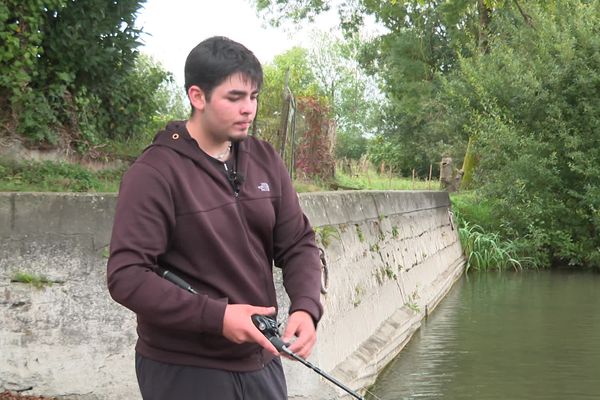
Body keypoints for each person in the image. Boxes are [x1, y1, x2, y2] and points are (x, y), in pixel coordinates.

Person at [106, 36, 323, 400]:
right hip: (184, 368)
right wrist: (218, 317)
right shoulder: (155, 173)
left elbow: (298, 243)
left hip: (261, 358)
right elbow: (127, 276)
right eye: (234, 98)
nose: (248, 110)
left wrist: (306, 307)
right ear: (198, 96)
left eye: (253, 97)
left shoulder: (265, 158)